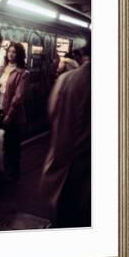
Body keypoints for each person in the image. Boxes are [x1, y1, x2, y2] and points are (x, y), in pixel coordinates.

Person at [39, 44, 91, 227]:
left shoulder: (66, 81)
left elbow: (52, 113)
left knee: (65, 216)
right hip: (87, 175)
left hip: (65, 165)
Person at [0, 42, 29, 181]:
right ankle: (4, 169)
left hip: (13, 115)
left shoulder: (23, 73)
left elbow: (18, 97)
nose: (11, 54)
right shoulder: (3, 68)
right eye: (9, 51)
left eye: (14, 52)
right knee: (3, 143)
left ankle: (14, 172)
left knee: (13, 145)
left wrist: (9, 115)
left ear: (19, 55)